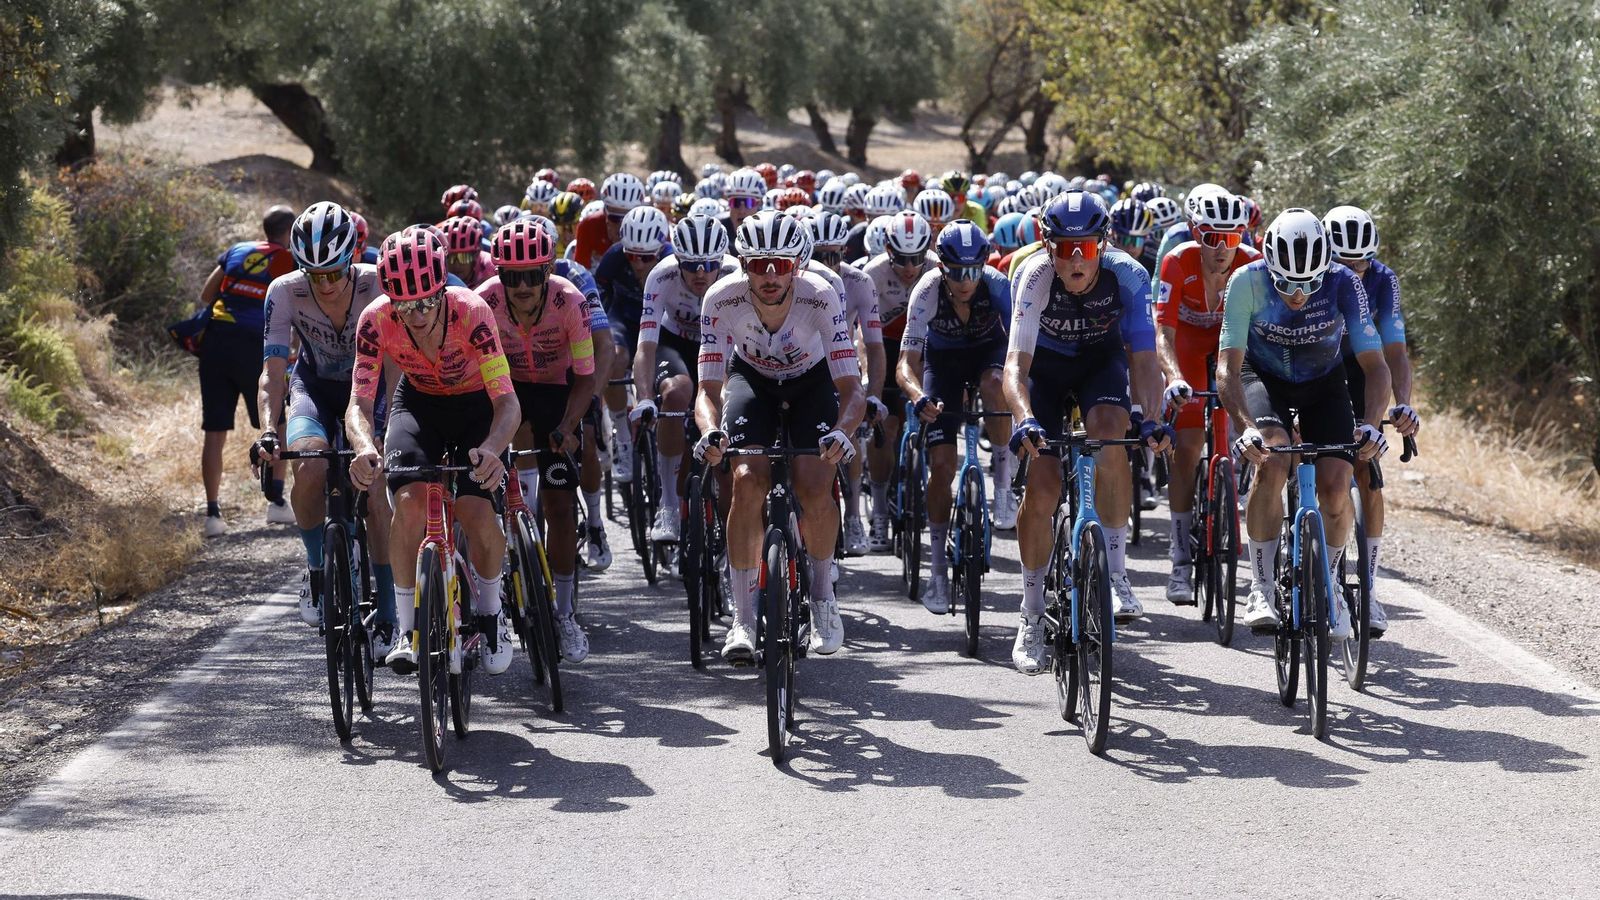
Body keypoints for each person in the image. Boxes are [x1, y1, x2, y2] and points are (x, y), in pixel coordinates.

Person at [1003, 191, 1170, 674]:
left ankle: (1115, 574)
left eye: (1087, 248)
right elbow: (1016, 365)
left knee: (1111, 436)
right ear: (1047, 245)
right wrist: (1024, 419)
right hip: (1047, 372)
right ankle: (1032, 612)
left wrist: (1151, 416)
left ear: (1103, 243)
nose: (1076, 260)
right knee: (1043, 486)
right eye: (1065, 248)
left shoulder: (1129, 275)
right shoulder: (1033, 275)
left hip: (1101, 364)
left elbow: (1143, 358)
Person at [347, 226, 520, 676]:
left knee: (475, 510)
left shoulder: (472, 312)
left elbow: (507, 403)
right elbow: (360, 403)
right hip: (419, 402)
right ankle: (409, 629)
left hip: (475, 405)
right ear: (391, 300)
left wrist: (492, 448)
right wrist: (364, 447)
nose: (417, 313)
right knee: (408, 501)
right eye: (405, 304)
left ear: (442, 289)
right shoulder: (375, 319)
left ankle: (491, 613)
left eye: (426, 301)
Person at [692, 212, 864, 663]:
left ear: (798, 266)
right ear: (743, 264)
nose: (769, 275)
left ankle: (824, 598)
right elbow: (707, 390)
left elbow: (852, 390)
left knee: (814, 482)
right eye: (759, 264)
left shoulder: (822, 297)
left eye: (781, 265)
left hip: (811, 383)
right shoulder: (720, 300)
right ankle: (743, 618)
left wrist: (844, 434)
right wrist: (711, 431)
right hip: (753, 381)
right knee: (746, 480)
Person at [1217, 208, 1392, 640]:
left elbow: (1376, 365)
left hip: (1323, 382)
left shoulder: (1343, 282)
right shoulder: (1245, 282)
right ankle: (1259, 586)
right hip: (1263, 378)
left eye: (1310, 282)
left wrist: (1370, 425)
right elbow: (1227, 368)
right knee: (1272, 459)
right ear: (1268, 265)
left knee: (1336, 486)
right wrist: (1245, 427)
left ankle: (1329, 576)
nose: (1299, 294)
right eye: (1288, 282)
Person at [251, 202, 398, 649]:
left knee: (375, 490)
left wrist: (390, 429)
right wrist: (268, 431)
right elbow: (272, 371)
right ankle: (318, 570)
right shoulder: (283, 291)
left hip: (369, 388)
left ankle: (389, 612)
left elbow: (394, 367)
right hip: (313, 386)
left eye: (335, 272)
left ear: (353, 257)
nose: (327, 284)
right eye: (316, 274)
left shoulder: (378, 283)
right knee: (310, 468)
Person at [478, 218, 597, 661]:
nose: (523, 285)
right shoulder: (484, 301)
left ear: (548, 271)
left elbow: (585, 379)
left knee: (562, 506)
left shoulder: (570, 302)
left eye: (532, 275)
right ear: (501, 274)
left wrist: (567, 427)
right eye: (513, 275)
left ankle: (564, 614)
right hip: (503, 390)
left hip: (557, 391)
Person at [897, 221, 1013, 613]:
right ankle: (937, 572)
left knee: (998, 383)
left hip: (988, 353)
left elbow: (1021, 347)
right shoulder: (926, 290)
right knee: (942, 466)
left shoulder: (998, 286)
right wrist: (917, 396)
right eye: (957, 271)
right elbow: (906, 364)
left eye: (974, 270)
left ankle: (1003, 483)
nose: (966, 280)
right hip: (942, 363)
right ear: (942, 267)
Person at [1155, 191, 1259, 603]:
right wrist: (1175, 377)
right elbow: (1163, 331)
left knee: (1239, 425)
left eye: (1231, 238)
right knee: (1188, 445)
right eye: (1212, 237)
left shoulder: (1251, 263)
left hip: (1230, 346)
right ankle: (1180, 558)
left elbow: (1264, 331)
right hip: (1187, 343)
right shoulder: (1176, 261)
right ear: (1196, 233)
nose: (1222, 248)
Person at [1324, 204, 1419, 637]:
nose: (1353, 271)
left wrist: (1403, 404)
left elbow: (1395, 350)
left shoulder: (1384, 281)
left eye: (1359, 262)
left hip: (1365, 374)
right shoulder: (1315, 277)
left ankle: (1370, 588)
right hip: (1319, 374)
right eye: (1343, 261)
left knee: (1368, 473)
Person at [632, 214, 740, 542]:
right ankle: (667, 504)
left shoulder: (736, 274)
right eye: (690, 265)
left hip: (724, 344)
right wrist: (645, 398)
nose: (700, 273)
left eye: (709, 264)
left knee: (724, 404)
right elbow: (645, 345)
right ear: (677, 259)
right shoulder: (661, 275)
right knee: (677, 393)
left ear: (720, 260)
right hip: (675, 342)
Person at [194, 205, 297, 537]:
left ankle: (212, 514)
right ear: (289, 232)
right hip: (255, 343)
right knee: (276, 421)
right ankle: (277, 503)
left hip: (216, 341)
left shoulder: (237, 250)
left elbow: (207, 294)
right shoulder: (287, 260)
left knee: (215, 431)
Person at [861, 211, 940, 552]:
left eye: (917, 258)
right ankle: (879, 509)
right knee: (886, 428)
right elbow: (865, 340)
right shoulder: (872, 275)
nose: (910, 267)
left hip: (925, 346)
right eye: (902, 259)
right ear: (888, 250)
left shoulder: (938, 268)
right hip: (885, 346)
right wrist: (873, 392)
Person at [807, 212, 885, 555]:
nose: (828, 263)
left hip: (839, 358)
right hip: (801, 361)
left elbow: (873, 344)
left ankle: (853, 516)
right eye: (819, 256)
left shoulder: (859, 282)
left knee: (847, 429)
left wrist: (875, 396)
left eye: (834, 255)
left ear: (844, 251)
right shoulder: (798, 281)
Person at [595, 205, 673, 485]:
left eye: (645, 257)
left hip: (663, 323)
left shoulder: (672, 260)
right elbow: (598, 297)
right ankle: (622, 438)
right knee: (614, 357)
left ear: (660, 249)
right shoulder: (614, 256)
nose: (637, 264)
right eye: (632, 256)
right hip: (625, 319)